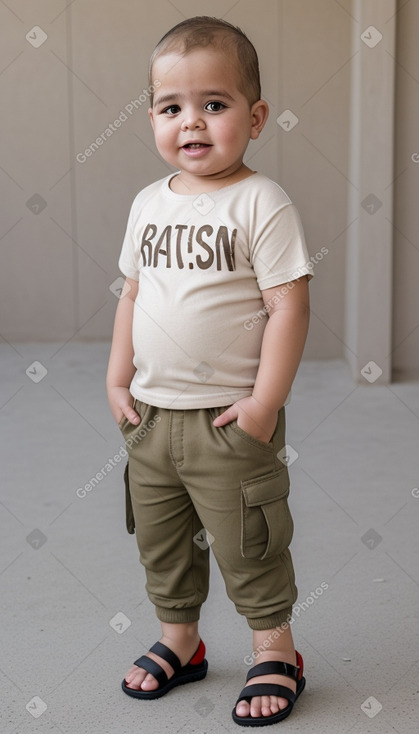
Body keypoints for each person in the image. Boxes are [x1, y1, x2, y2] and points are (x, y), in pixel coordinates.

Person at [106, 16, 312, 727]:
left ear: (253, 118)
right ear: (153, 116)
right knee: (162, 542)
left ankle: (275, 651)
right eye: (171, 108)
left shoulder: (261, 202)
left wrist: (263, 403)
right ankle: (181, 642)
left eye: (213, 105)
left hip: (229, 419)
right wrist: (115, 378)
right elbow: (133, 294)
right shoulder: (147, 204)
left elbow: (288, 306)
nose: (190, 122)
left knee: (248, 542)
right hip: (152, 417)